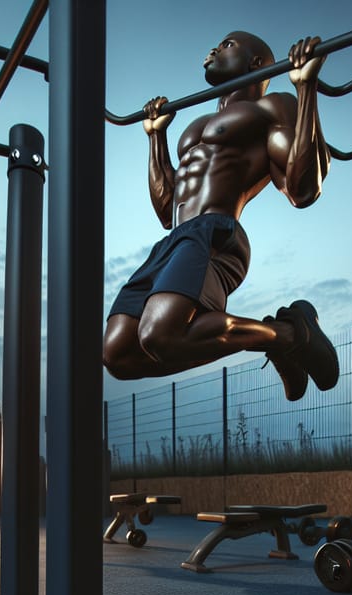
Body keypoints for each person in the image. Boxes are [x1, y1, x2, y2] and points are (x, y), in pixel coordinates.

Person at [103, 31, 338, 401]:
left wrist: (306, 89)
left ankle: (290, 337)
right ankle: (280, 338)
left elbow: (302, 189)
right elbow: (168, 211)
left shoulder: (272, 106)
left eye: (228, 44)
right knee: (117, 354)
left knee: (159, 335)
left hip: (215, 234)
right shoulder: (193, 128)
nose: (213, 49)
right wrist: (156, 138)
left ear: (256, 63)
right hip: (173, 241)